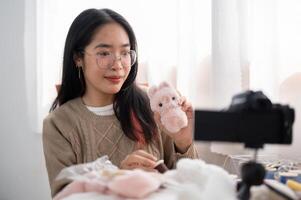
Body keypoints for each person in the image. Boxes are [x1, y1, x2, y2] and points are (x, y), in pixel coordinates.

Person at [42, 8, 199, 197]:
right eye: (104, 53)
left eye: (125, 53)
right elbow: (65, 196)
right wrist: (118, 179)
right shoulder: (59, 124)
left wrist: (183, 143)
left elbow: (191, 189)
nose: (117, 65)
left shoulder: (154, 107)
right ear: (78, 58)